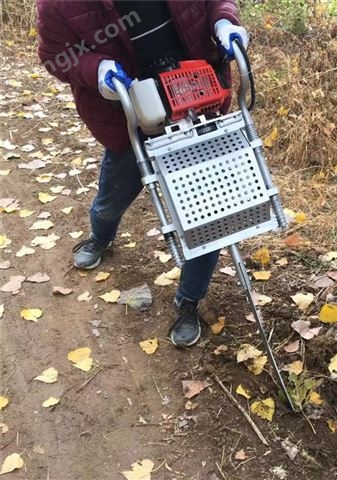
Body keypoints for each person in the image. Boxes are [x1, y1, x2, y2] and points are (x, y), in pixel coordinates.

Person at [36, 1, 249, 347]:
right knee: (113, 196)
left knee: (207, 212)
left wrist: (225, 24)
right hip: (129, 113)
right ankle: (101, 236)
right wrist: (98, 69)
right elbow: (56, 55)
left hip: (196, 97)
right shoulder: (56, 5)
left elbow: (215, 3)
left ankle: (189, 299)